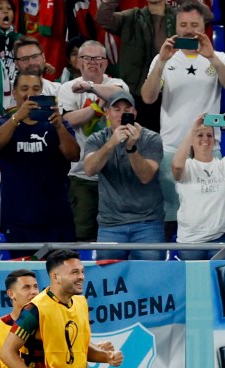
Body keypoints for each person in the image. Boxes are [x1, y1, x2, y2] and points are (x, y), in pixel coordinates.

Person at [140, 1, 225, 238]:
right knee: (173, 217)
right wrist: (162, 62)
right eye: (183, 24)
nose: (188, 30)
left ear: (204, 26)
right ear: (175, 26)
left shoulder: (219, 57)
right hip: (170, 149)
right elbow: (147, 97)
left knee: (207, 215)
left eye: (194, 24)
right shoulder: (163, 59)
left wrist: (212, 58)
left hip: (208, 148)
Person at [0, 72, 79, 248]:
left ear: (42, 92)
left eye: (35, 89)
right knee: (25, 273)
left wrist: (59, 127)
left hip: (56, 217)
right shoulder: (2, 124)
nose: (29, 93)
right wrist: (16, 118)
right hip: (18, 218)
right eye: (24, 89)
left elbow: (74, 155)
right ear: (14, 93)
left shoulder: (58, 124)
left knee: (61, 272)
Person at [82, 91, 165, 260]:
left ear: (134, 114)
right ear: (107, 113)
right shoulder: (96, 139)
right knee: (109, 280)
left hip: (147, 222)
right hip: (110, 224)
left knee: (151, 277)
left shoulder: (151, 139)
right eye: (116, 109)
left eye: (127, 109)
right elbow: (89, 169)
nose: (122, 114)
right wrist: (111, 143)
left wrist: (131, 147)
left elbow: (146, 176)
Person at [58, 40, 127, 242]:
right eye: (87, 58)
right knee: (81, 235)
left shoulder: (117, 82)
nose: (92, 62)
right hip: (80, 176)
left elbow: (120, 94)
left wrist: (89, 87)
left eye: (98, 58)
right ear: (78, 62)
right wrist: (97, 108)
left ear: (106, 63)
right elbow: (67, 120)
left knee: (115, 238)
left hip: (114, 175)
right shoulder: (66, 88)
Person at [172, 114, 225, 260]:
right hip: (191, 241)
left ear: (214, 141)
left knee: (220, 282)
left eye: (209, 135)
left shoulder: (224, 164)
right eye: (199, 135)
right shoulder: (187, 166)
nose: (205, 139)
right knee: (196, 283)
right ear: (191, 140)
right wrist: (192, 129)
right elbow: (176, 166)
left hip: (224, 237)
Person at [97, 0, 179, 131]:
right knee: (136, 143)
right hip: (137, 95)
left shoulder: (179, 17)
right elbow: (103, 18)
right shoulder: (131, 17)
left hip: (171, 94)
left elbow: (205, 16)